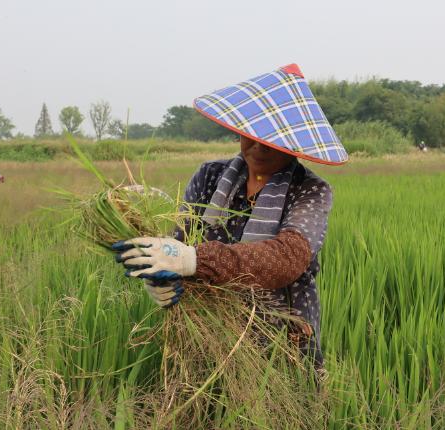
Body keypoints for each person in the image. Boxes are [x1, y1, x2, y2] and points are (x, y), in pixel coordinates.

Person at [112, 64, 348, 368]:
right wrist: (162, 276)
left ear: (294, 142)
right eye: (251, 134)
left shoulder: (310, 190)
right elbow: (181, 240)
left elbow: (291, 256)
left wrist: (193, 260)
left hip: (280, 331)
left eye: (272, 138)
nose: (258, 146)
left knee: (279, 408)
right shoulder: (210, 176)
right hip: (207, 326)